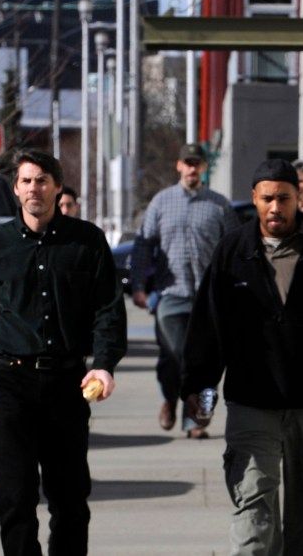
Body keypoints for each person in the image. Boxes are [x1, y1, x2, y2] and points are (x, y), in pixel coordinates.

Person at [181, 158, 303, 555]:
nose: (276, 207)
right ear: (254, 198)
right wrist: (198, 391)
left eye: (284, 198)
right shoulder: (232, 250)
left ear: (298, 197)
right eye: (268, 198)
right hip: (253, 399)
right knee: (252, 503)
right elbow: (207, 326)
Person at [0, 148, 127, 556]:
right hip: (12, 381)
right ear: (16, 189)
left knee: (69, 499)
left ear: (57, 187)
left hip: (69, 383)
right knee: (16, 498)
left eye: (42, 180)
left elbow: (108, 309)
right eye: (27, 180)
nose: (35, 188)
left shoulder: (86, 241)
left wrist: (103, 365)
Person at [130, 142, 241, 438]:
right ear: (179, 166)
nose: (192, 168)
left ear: (204, 168)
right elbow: (143, 245)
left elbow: (235, 251)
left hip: (209, 299)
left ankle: (196, 418)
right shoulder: (161, 202)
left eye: (197, 163)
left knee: (209, 360)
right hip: (171, 295)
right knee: (174, 356)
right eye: (187, 163)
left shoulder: (219, 205)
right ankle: (170, 398)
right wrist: (138, 286)